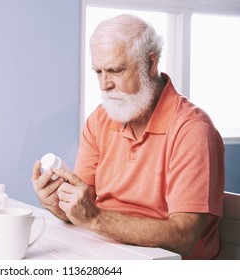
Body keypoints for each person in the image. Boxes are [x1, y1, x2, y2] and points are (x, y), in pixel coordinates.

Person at [31, 14, 225, 260]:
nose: (104, 85)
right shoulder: (99, 119)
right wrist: (56, 203)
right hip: (107, 252)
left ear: (151, 63)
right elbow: (83, 208)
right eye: (98, 72)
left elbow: (184, 237)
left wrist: (96, 218)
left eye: (115, 70)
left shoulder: (192, 129)